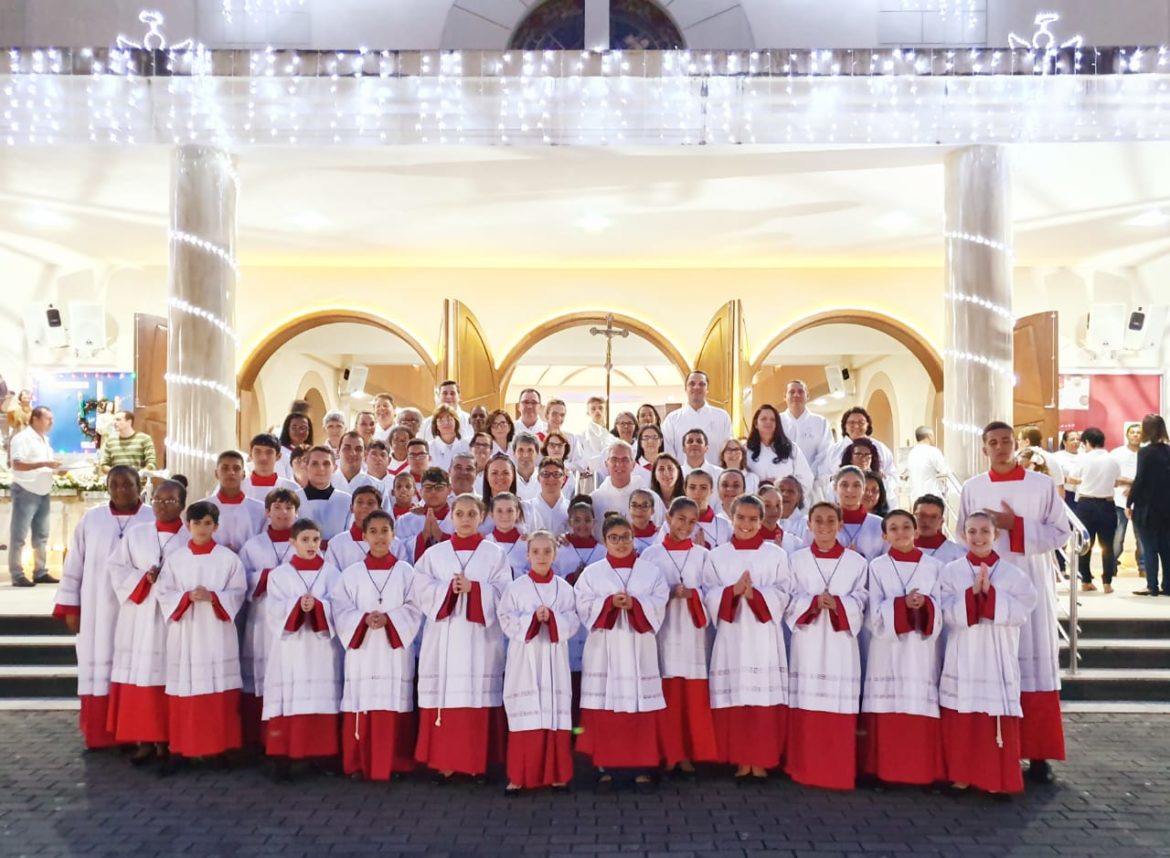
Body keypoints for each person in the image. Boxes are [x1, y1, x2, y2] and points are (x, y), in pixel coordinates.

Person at [958, 420, 1071, 785]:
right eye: (993, 442)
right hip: (985, 582)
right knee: (991, 663)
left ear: (1015, 443)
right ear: (984, 448)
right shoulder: (973, 488)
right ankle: (993, 750)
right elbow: (962, 532)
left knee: (1033, 666)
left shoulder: (1040, 486)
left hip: (1029, 583)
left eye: (1006, 441)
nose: (1001, 447)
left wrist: (1014, 524)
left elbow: (1060, 532)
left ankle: (1038, 755)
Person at [410, 493, 511, 783]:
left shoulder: (495, 554)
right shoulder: (435, 554)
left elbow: (505, 594)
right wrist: (449, 590)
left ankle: (475, 763)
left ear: (481, 517)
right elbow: (420, 589)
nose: (466, 520)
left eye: (472, 514)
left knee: (475, 701)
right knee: (446, 699)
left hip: (480, 641)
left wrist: (474, 589)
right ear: (451, 517)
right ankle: (446, 763)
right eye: (460, 514)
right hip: (444, 639)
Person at [53, 466, 154, 748]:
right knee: (98, 668)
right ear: (108, 487)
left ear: (139, 486)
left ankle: (136, 733)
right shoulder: (92, 519)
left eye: (129, 484)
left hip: (138, 611)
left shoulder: (151, 518)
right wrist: (70, 606)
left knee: (137, 669)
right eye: (116, 484)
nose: (122, 489)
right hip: (97, 609)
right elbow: (74, 565)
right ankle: (100, 735)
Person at [938, 512, 1038, 796]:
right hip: (964, 651)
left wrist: (991, 596)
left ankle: (996, 779)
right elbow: (944, 611)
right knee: (962, 713)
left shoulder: (1012, 573)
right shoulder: (951, 571)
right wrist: (971, 595)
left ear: (996, 535)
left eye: (984, 531)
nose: (978, 537)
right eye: (972, 532)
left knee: (994, 714)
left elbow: (1023, 610)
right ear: (963, 535)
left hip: (997, 653)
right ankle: (961, 776)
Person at [574, 515, 669, 792]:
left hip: (639, 651)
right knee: (606, 710)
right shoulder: (593, 573)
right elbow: (583, 606)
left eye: (625, 536)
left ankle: (641, 768)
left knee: (640, 709)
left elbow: (659, 603)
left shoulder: (650, 572)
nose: (621, 543)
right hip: (605, 652)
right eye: (614, 538)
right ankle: (606, 768)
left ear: (633, 538)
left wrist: (636, 604)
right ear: (605, 541)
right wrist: (608, 604)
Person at [703, 494, 792, 781]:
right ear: (731, 516)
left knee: (762, 700)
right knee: (737, 698)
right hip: (732, 637)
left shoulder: (776, 554)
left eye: (753, 519)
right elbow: (708, 594)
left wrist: (755, 595)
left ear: (762, 519)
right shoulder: (717, 555)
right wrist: (731, 592)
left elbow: (785, 593)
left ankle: (762, 759)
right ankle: (741, 760)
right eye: (741, 517)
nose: (747, 524)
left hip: (764, 638)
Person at [331, 510, 423, 782]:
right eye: (373, 531)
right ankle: (358, 762)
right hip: (364, 649)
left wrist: (390, 619)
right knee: (363, 701)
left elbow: (416, 607)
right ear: (364, 535)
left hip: (394, 650)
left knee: (393, 702)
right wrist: (361, 620)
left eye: (385, 531)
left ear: (393, 535)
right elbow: (340, 608)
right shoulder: (351, 574)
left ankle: (395, 762)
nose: (380, 537)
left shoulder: (407, 572)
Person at [155, 501, 246, 770]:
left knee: (218, 690)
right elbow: (163, 593)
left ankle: (220, 748)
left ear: (216, 526)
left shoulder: (228, 559)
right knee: (186, 688)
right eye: (197, 523)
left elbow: (239, 592)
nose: (202, 528)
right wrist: (185, 598)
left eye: (208, 523)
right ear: (187, 526)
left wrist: (214, 597)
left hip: (217, 635)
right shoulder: (176, 559)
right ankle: (182, 748)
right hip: (187, 634)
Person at [785, 501, 869, 790]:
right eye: (818, 520)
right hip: (807, 644)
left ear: (840, 524)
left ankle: (837, 771)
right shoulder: (796, 560)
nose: (823, 526)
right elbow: (788, 598)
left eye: (830, 520)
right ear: (808, 524)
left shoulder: (857, 562)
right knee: (807, 704)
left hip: (840, 646)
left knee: (838, 704)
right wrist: (811, 603)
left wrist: (840, 604)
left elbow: (862, 599)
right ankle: (804, 768)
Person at [858, 509, 944, 786]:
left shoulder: (933, 566)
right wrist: (901, 606)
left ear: (916, 531)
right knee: (887, 706)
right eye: (893, 528)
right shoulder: (878, 566)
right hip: (887, 648)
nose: (901, 532)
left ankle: (919, 770)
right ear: (884, 536)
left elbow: (941, 607)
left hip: (919, 648)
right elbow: (872, 613)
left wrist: (926, 605)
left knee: (918, 704)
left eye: (906, 526)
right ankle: (884, 770)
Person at [106, 479, 189, 762]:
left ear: (182, 505)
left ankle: (170, 739)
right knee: (142, 676)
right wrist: (143, 579)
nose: (163, 506)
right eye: (157, 500)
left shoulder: (191, 537)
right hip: (141, 617)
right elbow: (116, 568)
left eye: (170, 501)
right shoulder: (136, 534)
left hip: (174, 619)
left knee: (169, 677)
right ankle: (145, 738)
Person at [639, 497, 716, 778]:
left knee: (691, 699)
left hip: (694, 635)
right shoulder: (651, 555)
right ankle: (669, 753)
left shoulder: (703, 555)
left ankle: (687, 753)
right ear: (668, 518)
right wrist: (669, 594)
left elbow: (712, 592)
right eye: (680, 519)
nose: (685, 525)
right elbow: (643, 592)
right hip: (665, 634)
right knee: (669, 697)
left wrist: (694, 595)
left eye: (691, 521)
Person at [499, 531, 580, 794]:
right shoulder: (515, 588)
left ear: (555, 555)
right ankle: (519, 776)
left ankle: (557, 774)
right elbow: (506, 620)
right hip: (525, 660)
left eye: (547, 551)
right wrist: (532, 619)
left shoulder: (565, 589)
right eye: (536, 551)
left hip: (554, 659)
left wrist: (553, 619)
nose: (542, 556)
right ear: (527, 555)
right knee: (525, 712)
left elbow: (574, 620)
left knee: (553, 711)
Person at [262, 518, 343, 778]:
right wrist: (296, 606)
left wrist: (319, 606)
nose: (311, 545)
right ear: (292, 542)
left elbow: (339, 606)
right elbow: (273, 609)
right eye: (305, 540)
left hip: (321, 649)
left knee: (321, 696)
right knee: (288, 698)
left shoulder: (332, 573)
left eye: (316, 540)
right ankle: (283, 755)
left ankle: (320, 754)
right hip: (290, 649)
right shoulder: (279, 575)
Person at [237, 487, 299, 747]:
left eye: (288, 508)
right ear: (267, 512)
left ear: (296, 512)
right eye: (277, 507)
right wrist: (267, 577)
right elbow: (241, 581)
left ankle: (291, 740)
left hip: (294, 625)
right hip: (261, 621)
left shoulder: (306, 541)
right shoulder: (254, 545)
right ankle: (260, 739)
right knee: (262, 676)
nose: (283, 513)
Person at [8, 406, 65, 586]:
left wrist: (55, 471)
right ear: (35, 419)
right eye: (48, 418)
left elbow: (42, 467)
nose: (51, 422)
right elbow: (17, 464)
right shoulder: (22, 438)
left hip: (42, 490)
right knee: (19, 536)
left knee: (41, 535)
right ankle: (17, 574)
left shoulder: (44, 440)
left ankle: (40, 571)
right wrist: (46, 463)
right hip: (26, 490)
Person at [1068, 427, 1122, 593]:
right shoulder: (1112, 459)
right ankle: (1107, 582)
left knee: (1085, 544)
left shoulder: (1082, 459)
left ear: (1087, 442)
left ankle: (1086, 580)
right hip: (1107, 504)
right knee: (1107, 545)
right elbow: (1116, 482)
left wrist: (1085, 481)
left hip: (1085, 505)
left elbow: (1071, 479)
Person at [1130, 414, 1170, 596]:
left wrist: (1129, 501)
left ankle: (1151, 585)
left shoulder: (1145, 452)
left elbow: (1140, 480)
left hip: (1147, 508)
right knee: (1166, 548)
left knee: (1149, 547)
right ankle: (1168, 585)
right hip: (1167, 508)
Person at [591, 441, 665, 537]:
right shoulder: (595, 499)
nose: (619, 464)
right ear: (606, 464)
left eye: (625, 460)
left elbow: (662, 531)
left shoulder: (650, 497)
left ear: (633, 465)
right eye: (614, 459)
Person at [661, 371, 732, 465]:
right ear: (685, 388)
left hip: (715, 476)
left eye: (702, 384)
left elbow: (728, 449)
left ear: (707, 389)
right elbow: (668, 452)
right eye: (692, 384)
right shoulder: (672, 419)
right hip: (683, 476)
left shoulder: (722, 417)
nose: (697, 387)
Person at [780, 380, 835, 500]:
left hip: (813, 487)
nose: (796, 395)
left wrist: (808, 477)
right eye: (792, 392)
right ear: (785, 397)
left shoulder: (820, 422)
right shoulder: (777, 421)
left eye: (801, 392)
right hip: (781, 486)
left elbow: (825, 453)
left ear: (807, 396)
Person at [203, 450, 266, 553]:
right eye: (225, 468)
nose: (231, 472)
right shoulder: (202, 508)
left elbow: (264, 543)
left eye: (236, 468)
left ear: (244, 474)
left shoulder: (260, 509)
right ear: (216, 473)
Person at [745, 404, 813, 496]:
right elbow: (741, 479)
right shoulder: (745, 450)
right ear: (756, 424)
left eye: (772, 420)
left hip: (784, 504)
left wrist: (785, 490)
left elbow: (806, 478)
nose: (768, 422)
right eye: (763, 419)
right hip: (756, 504)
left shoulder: (791, 448)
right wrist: (761, 486)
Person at [827, 408, 897, 497]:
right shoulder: (834, 451)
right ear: (845, 426)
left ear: (868, 425)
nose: (856, 426)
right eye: (851, 423)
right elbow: (825, 478)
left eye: (861, 422)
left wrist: (881, 483)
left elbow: (892, 476)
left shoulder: (881, 449)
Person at [397, 467, 455, 561]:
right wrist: (423, 536)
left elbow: (464, 548)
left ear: (449, 489)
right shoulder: (405, 521)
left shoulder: (458, 519)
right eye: (428, 488)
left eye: (439, 487)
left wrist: (441, 536)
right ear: (421, 492)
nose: (433, 492)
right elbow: (398, 550)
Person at [1110, 422, 1144, 578]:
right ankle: (1111, 565)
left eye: (1139, 432)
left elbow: (1150, 478)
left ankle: (1143, 567)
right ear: (1127, 435)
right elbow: (1110, 475)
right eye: (1133, 432)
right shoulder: (1116, 453)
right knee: (1118, 536)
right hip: (1118, 499)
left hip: (1141, 501)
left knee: (1142, 537)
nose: (1136, 435)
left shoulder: (1146, 453)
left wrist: (1131, 484)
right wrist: (1133, 483)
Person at [300, 445, 352, 542]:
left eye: (326, 463)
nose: (321, 468)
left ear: (335, 468)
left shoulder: (346, 500)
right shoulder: (295, 499)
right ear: (306, 467)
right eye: (315, 463)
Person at [833, 466, 885, 560]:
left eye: (856, 485)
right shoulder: (823, 523)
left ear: (863, 489)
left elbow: (888, 563)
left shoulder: (880, 524)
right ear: (835, 488)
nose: (850, 490)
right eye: (844, 485)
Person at [243, 434, 303, 502]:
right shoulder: (239, 487)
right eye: (258, 452)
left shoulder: (292, 489)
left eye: (269, 452)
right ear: (250, 455)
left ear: (278, 456)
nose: (263, 457)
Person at [486, 492, 530, 578]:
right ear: (491, 514)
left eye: (510, 510)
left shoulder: (528, 543)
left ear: (517, 513)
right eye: (499, 511)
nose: (505, 515)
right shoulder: (486, 542)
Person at [683, 470, 731, 548]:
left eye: (703, 487)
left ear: (711, 491)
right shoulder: (673, 524)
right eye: (692, 487)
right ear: (685, 490)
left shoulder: (725, 526)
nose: (697, 492)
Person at [912, 494, 966, 564]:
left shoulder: (958, 554)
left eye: (933, 517)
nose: (926, 521)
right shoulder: (898, 548)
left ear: (941, 522)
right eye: (921, 515)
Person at [523, 456, 570, 535]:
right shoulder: (526, 507)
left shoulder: (571, 509)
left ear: (564, 479)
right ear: (538, 478)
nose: (551, 478)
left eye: (556, 474)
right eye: (545, 474)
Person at [906, 425, 951, 501]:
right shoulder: (932, 451)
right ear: (929, 436)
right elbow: (944, 471)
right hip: (931, 497)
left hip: (916, 497)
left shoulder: (911, 453)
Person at [427, 404, 470, 473]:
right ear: (436, 425)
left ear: (455, 421)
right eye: (441, 420)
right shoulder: (428, 447)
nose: (446, 422)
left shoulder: (467, 446)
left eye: (449, 419)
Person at [777, 476, 811, 546]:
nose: (785, 494)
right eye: (781, 490)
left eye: (791, 491)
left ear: (798, 497)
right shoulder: (766, 522)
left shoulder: (807, 523)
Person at [627, 488, 661, 553]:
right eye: (634, 505)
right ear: (629, 509)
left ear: (652, 510)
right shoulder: (623, 537)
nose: (639, 510)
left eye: (645, 506)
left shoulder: (660, 535)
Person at [512, 433, 542, 500]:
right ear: (514, 453)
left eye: (530, 450)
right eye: (521, 450)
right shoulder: (507, 477)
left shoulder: (545, 477)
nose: (525, 455)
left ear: (537, 453)